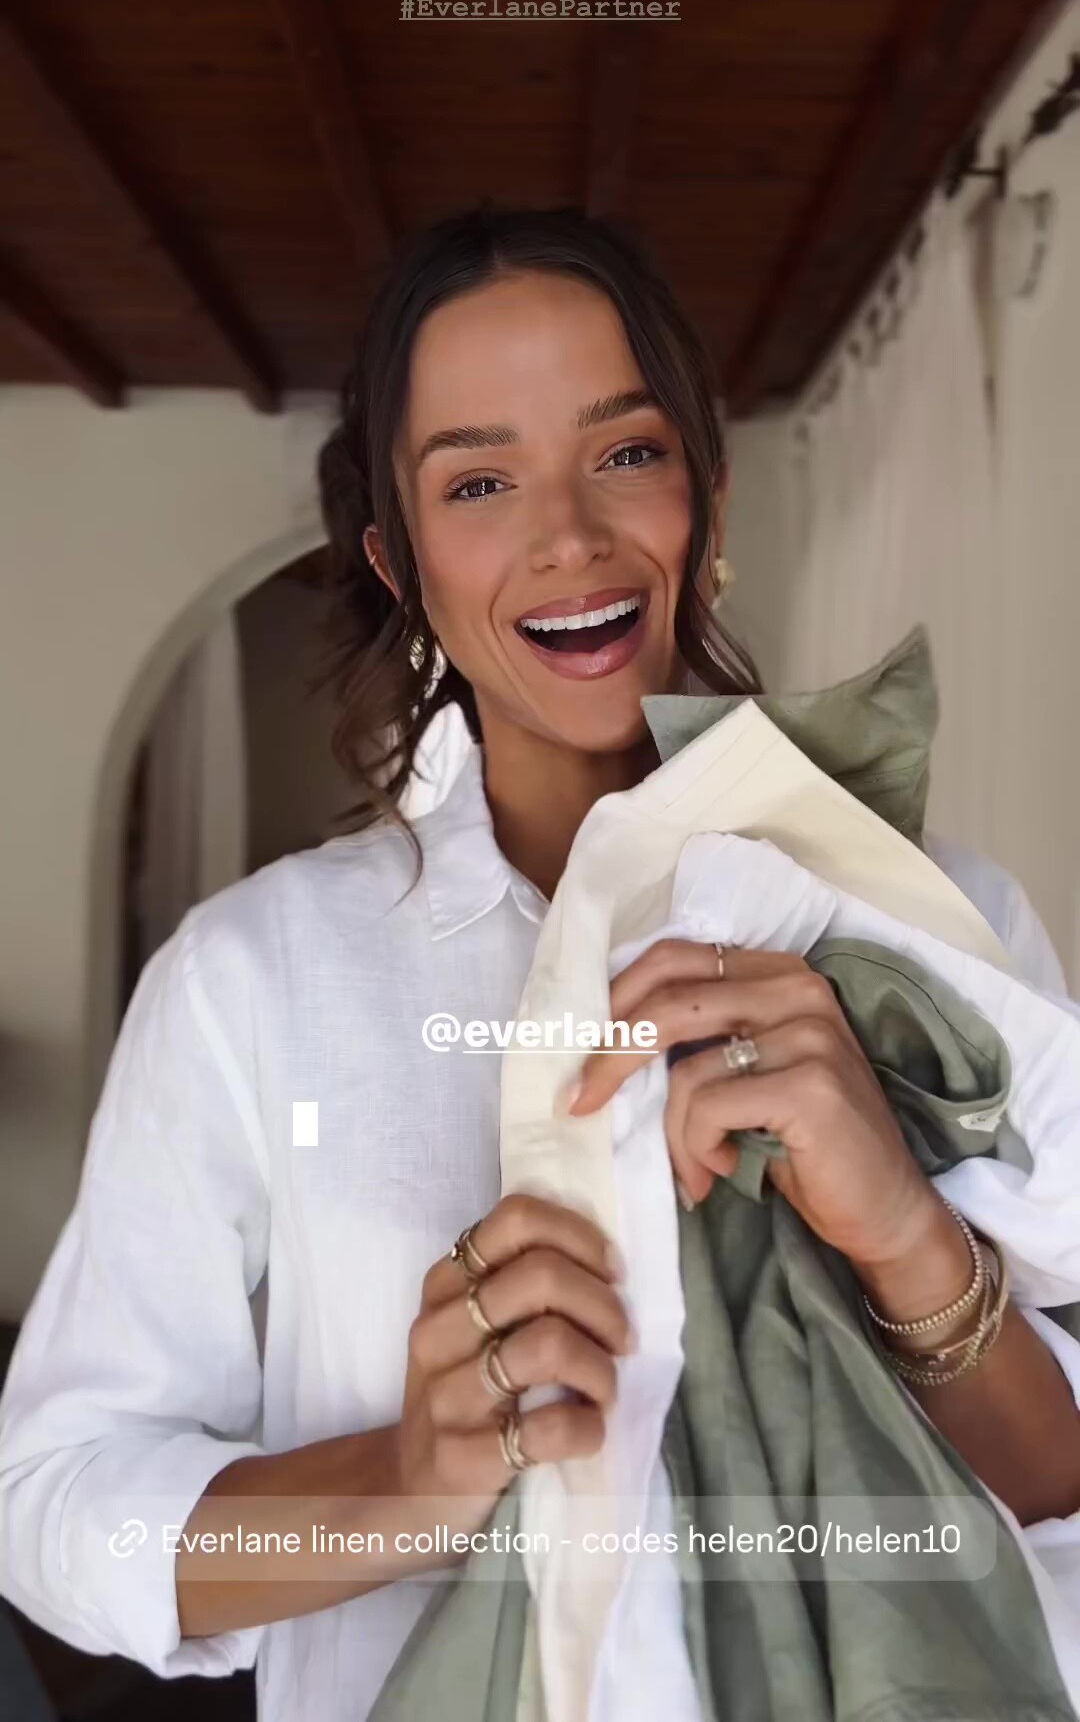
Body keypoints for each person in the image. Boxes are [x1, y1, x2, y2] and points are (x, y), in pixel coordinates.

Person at [0, 206, 1077, 1722]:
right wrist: (402, 1483)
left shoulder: (936, 919)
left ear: (706, 493)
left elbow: (1058, 1498)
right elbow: (56, 1511)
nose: (568, 535)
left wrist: (905, 1232)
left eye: (625, 452)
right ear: (400, 560)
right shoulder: (252, 981)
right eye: (480, 481)